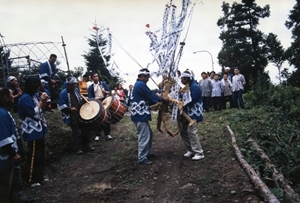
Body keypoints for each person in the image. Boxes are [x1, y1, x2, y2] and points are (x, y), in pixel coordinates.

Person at [18, 76, 48, 187]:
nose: (38, 87)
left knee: (40, 154)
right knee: (33, 155)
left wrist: (43, 101)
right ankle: (30, 180)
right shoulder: (25, 98)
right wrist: (40, 102)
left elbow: (41, 109)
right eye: (37, 85)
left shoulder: (33, 95)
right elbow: (33, 112)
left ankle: (39, 177)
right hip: (31, 130)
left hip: (38, 129)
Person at [131, 68, 165, 165]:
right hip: (139, 114)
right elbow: (150, 96)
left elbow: (149, 97)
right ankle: (142, 157)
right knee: (144, 135)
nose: (148, 79)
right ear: (141, 76)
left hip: (139, 114)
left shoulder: (140, 85)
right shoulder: (140, 85)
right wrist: (161, 98)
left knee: (148, 133)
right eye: (146, 77)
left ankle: (147, 153)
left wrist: (159, 98)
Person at [59, 76, 95, 154]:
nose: (75, 85)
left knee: (85, 129)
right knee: (76, 131)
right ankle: (76, 148)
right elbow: (61, 106)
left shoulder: (76, 90)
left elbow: (79, 98)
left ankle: (86, 146)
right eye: (73, 84)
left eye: (75, 84)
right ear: (69, 84)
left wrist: (83, 100)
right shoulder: (63, 93)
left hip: (80, 112)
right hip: (72, 115)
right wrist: (70, 109)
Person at [0, 87, 21, 202]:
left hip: (9, 157)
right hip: (5, 159)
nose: (13, 97)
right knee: (5, 188)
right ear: (5, 98)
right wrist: (13, 154)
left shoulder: (4, 111)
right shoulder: (1, 114)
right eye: (11, 95)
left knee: (14, 183)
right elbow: (3, 138)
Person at [179, 71, 205, 161]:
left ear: (186, 79)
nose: (181, 80)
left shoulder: (195, 87)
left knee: (191, 131)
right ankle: (191, 149)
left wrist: (179, 103)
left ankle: (199, 152)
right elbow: (180, 96)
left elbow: (190, 100)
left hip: (194, 113)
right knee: (183, 131)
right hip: (186, 114)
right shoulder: (186, 87)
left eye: (182, 78)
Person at [87, 72, 112, 140]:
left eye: (97, 76)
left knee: (106, 117)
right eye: (94, 76)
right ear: (92, 78)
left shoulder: (103, 84)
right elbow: (89, 96)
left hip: (104, 101)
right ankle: (97, 134)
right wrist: (93, 100)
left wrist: (105, 92)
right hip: (96, 103)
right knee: (97, 119)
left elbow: (109, 92)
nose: (96, 77)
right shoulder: (91, 87)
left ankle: (107, 134)